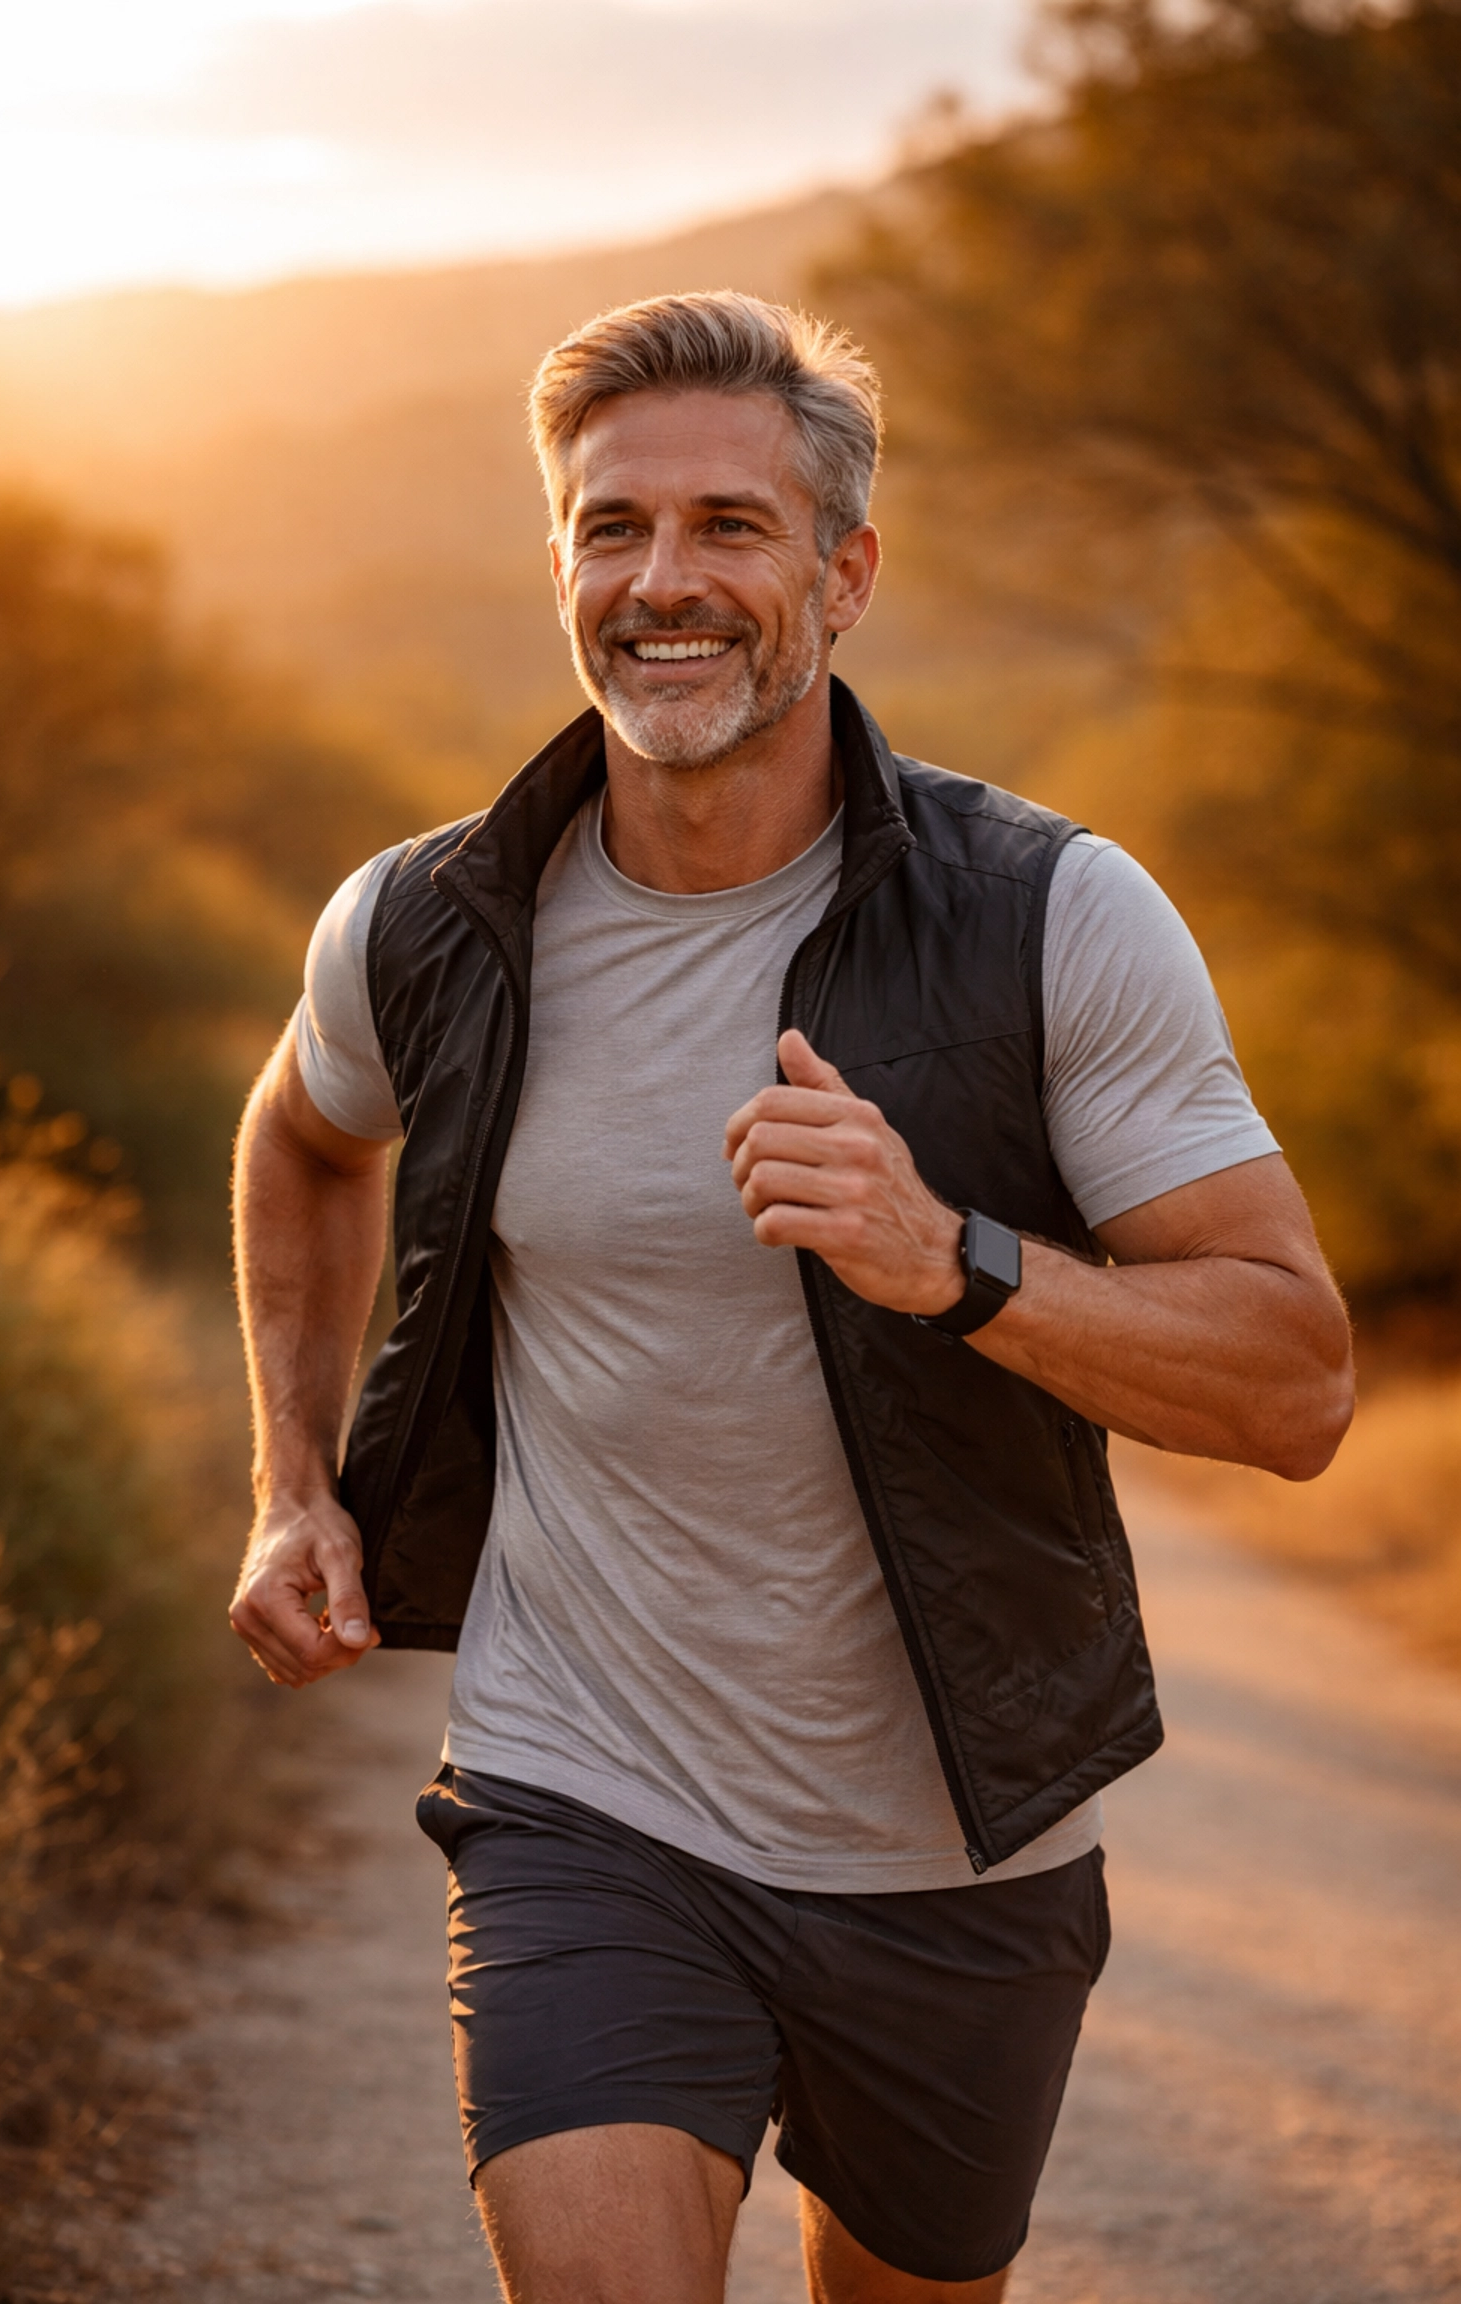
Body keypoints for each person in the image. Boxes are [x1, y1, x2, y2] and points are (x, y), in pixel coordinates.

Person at [229, 293, 1353, 2304]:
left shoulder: (1048, 919)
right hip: (584, 1796)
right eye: (610, 528)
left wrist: (955, 1264)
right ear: (561, 564)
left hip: (955, 1858)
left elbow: (1295, 1383)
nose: (664, 582)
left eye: (731, 527)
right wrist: (290, 1481)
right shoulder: (430, 922)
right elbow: (304, 1140)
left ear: (843, 573)